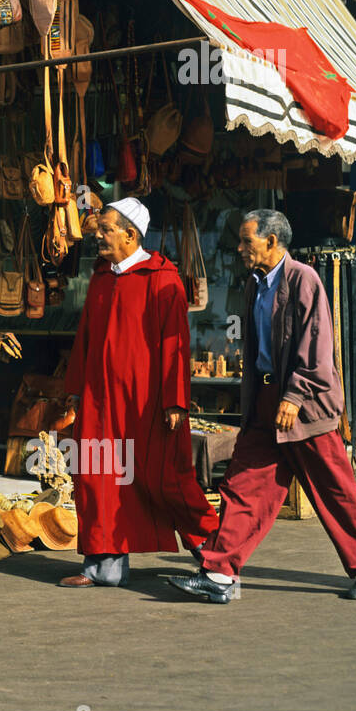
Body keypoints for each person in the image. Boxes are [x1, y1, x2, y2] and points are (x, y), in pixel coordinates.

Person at [168, 210, 356, 603]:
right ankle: (219, 575)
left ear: (272, 242)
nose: (239, 248)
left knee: (333, 490)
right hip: (266, 401)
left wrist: (294, 396)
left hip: (304, 405)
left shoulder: (304, 279)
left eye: (246, 241)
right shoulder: (255, 284)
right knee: (243, 487)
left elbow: (318, 345)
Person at [58, 198, 218, 588]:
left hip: (147, 403)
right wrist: (76, 390)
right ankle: (104, 567)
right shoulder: (100, 278)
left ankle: (218, 552)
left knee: (163, 478)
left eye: (106, 230)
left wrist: (175, 399)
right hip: (100, 400)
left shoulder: (163, 280)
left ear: (131, 235)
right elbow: (85, 339)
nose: (98, 236)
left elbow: (175, 343)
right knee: (98, 475)